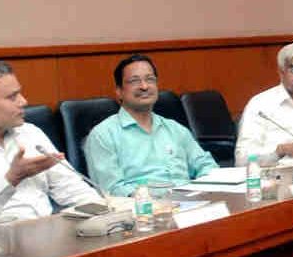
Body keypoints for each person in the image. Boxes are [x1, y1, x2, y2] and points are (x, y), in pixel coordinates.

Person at [0, 60, 101, 223]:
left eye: (19, 93)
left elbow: (73, 190)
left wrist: (104, 215)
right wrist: (11, 179)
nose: (23, 101)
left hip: (48, 236)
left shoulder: (30, 133)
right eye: (12, 97)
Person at [84, 54, 218, 196]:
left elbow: (206, 166)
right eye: (134, 81)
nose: (144, 86)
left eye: (150, 79)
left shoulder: (175, 129)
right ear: (119, 91)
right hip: (142, 211)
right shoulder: (103, 135)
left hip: (191, 205)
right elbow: (111, 190)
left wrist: (205, 189)